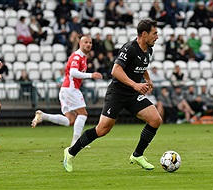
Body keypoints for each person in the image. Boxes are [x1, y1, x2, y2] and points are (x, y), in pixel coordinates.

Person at [63, 19, 162, 172]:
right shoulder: (129, 48)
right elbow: (115, 71)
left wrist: (147, 79)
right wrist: (135, 84)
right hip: (117, 94)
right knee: (102, 129)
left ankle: (137, 155)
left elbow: (142, 65)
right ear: (144, 34)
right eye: (155, 33)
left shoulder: (149, 49)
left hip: (132, 94)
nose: (157, 36)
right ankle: (70, 152)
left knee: (155, 119)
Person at [31, 35, 103, 147]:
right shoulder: (77, 56)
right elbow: (73, 72)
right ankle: (76, 143)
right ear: (80, 43)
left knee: (70, 120)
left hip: (66, 89)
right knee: (83, 114)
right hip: (71, 89)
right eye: (86, 42)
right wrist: (91, 75)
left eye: (90, 42)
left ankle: (43, 116)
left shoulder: (83, 57)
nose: (88, 44)